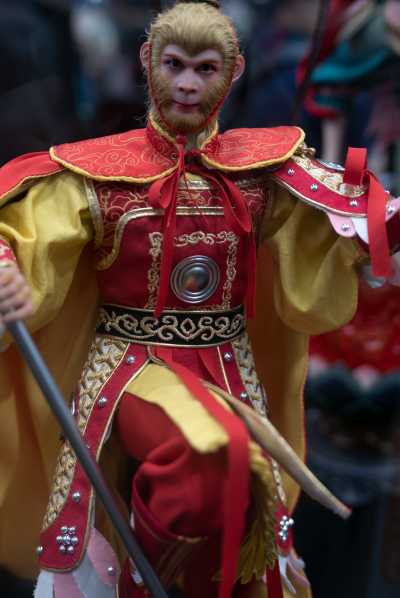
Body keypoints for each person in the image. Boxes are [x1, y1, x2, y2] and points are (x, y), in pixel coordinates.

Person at [0, 1, 398, 597]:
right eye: (175, 65)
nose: (187, 85)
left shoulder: (259, 172)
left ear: (234, 73)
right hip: (132, 367)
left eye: (205, 69)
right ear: (147, 60)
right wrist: (5, 269)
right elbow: (20, 229)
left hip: (231, 367)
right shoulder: (96, 174)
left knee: (242, 505)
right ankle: (138, 582)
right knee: (214, 454)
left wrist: (379, 229)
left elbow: (338, 227)